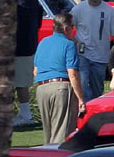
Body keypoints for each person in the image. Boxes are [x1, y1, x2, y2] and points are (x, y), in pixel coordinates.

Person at [34, 13, 84, 144]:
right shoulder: (69, 45)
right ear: (66, 28)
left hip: (42, 88)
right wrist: (81, 99)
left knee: (48, 133)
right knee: (62, 134)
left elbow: (35, 70)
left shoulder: (43, 43)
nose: (74, 30)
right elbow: (72, 73)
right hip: (61, 88)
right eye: (73, 26)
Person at [70, 0, 114, 101]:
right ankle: (85, 109)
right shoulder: (79, 9)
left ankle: (95, 111)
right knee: (83, 85)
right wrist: (74, 42)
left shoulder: (108, 10)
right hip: (83, 54)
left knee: (97, 89)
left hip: (100, 57)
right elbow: (66, 26)